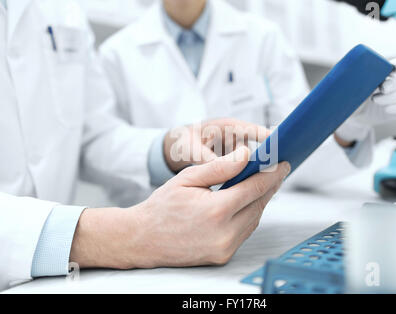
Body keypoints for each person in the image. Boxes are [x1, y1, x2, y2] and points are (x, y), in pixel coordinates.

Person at [0, 0, 289, 291]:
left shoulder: (62, 8)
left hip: (56, 279)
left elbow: (92, 135)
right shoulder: (118, 48)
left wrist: (171, 147)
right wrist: (130, 234)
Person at [100, 0, 396, 205]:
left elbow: (295, 153)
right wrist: (166, 153)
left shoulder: (263, 38)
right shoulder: (116, 53)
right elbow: (100, 154)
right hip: (154, 229)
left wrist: (350, 124)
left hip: (259, 221)